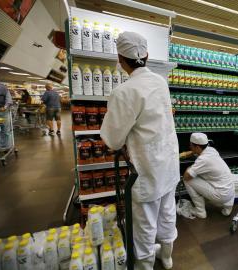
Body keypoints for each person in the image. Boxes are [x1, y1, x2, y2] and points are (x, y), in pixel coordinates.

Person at [100, 32, 179, 270]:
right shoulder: (160, 82)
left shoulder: (124, 92)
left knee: (145, 224)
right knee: (167, 214)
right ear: (146, 55)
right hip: (168, 163)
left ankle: (144, 266)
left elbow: (112, 140)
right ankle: (166, 257)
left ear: (120, 59)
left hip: (147, 169)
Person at [182, 133, 235, 218]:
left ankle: (200, 211)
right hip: (230, 193)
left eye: (191, 145)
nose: (189, 147)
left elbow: (186, 176)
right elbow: (197, 152)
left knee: (187, 180)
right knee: (207, 175)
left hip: (220, 195)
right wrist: (190, 153)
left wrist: (189, 168)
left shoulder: (203, 160)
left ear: (197, 147)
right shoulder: (212, 150)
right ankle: (227, 207)